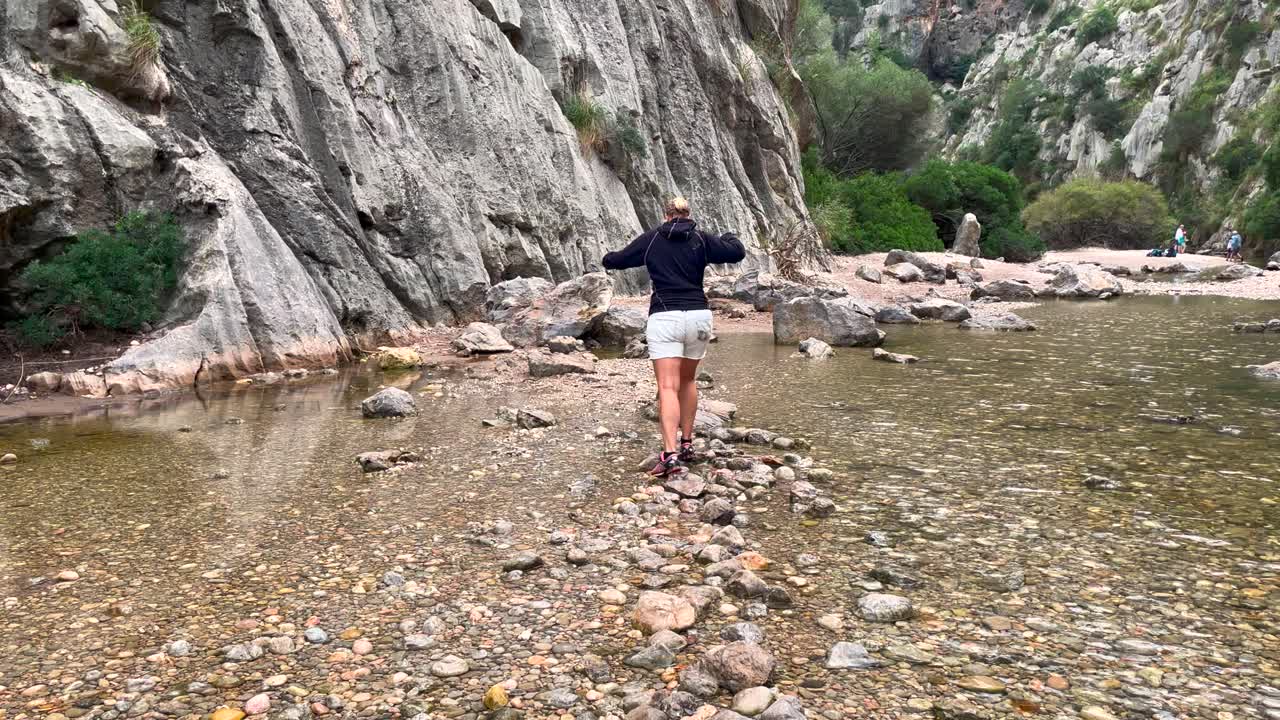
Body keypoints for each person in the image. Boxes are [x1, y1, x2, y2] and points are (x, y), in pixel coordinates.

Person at [602, 197, 746, 477]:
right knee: (688, 380)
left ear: (666, 215)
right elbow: (736, 252)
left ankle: (669, 456)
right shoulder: (702, 239)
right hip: (699, 319)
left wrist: (606, 257)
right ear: (688, 214)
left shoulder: (651, 239)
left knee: (668, 387)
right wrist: (729, 235)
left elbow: (618, 260)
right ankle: (688, 443)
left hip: (665, 318)